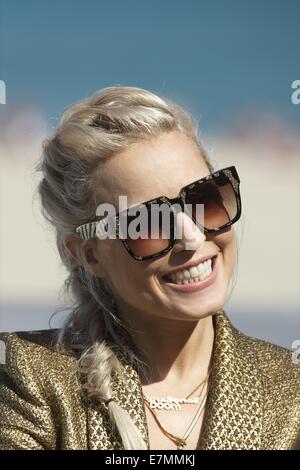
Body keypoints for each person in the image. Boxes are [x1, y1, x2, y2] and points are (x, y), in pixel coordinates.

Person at [0, 86, 299, 450]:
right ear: (90, 255)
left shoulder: (290, 389)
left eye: (205, 200)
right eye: (151, 223)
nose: (192, 236)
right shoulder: (27, 378)